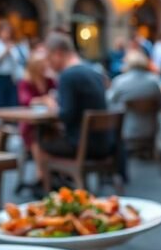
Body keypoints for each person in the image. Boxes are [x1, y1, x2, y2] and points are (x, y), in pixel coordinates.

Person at [35, 33, 111, 185]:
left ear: (58, 54)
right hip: (105, 143)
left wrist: (52, 105)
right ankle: (62, 181)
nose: (49, 64)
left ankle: (48, 186)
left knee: (39, 138)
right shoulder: (94, 72)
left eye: (49, 59)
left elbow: (66, 115)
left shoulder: (68, 76)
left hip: (82, 146)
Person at [107, 49, 161, 146]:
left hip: (126, 130)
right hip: (151, 129)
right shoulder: (154, 82)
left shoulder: (120, 81)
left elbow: (109, 101)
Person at [17, 53, 55, 149]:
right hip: (31, 122)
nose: (45, 66)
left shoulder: (49, 80)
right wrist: (44, 100)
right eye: (41, 64)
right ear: (34, 67)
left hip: (48, 120)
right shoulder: (25, 82)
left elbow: (56, 95)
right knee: (36, 136)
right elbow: (25, 101)